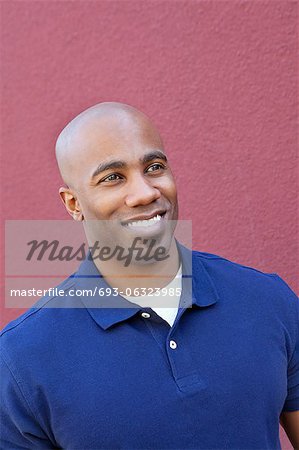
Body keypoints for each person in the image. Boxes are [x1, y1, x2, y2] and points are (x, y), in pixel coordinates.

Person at [1, 102, 298, 449]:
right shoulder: (20, 359)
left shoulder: (268, 300)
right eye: (113, 177)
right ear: (73, 204)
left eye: (154, 167)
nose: (145, 193)